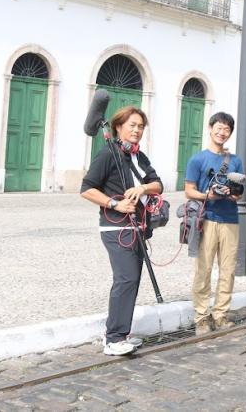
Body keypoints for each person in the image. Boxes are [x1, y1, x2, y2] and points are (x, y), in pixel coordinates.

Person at [81, 106, 163, 356]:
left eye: (140, 126)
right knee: (125, 278)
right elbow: (86, 188)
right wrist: (115, 203)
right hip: (115, 227)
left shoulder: (139, 157)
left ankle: (121, 333)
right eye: (132, 125)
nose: (137, 130)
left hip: (137, 227)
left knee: (132, 280)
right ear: (118, 127)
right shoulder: (108, 154)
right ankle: (113, 338)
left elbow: (158, 184)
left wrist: (143, 189)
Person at [185, 112, 244, 334]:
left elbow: (239, 193)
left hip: (230, 219)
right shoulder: (197, 159)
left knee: (228, 270)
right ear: (210, 128)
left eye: (226, 129)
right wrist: (207, 195)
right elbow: (188, 190)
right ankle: (201, 317)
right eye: (218, 127)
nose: (222, 132)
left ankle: (221, 314)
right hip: (206, 219)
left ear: (230, 133)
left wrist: (232, 194)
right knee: (204, 269)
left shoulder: (235, 161)